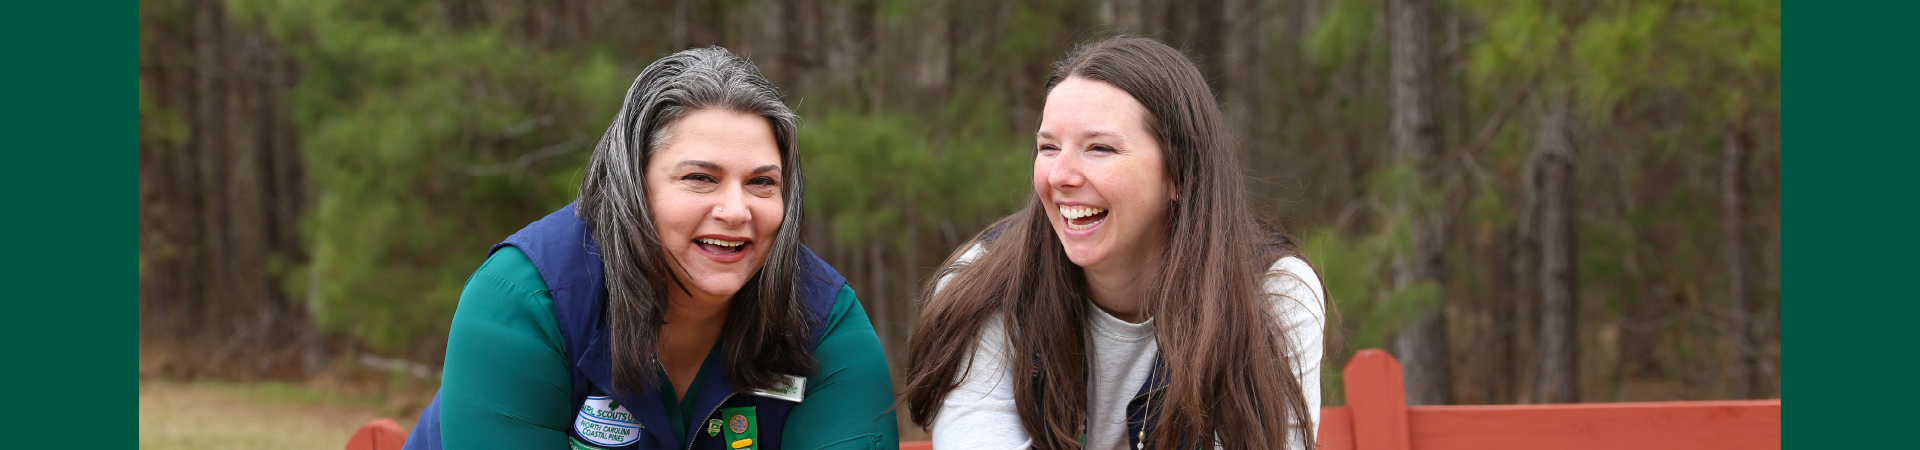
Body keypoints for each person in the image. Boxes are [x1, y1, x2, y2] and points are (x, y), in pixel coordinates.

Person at [404, 47, 898, 450]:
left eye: (762, 183)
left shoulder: (822, 317)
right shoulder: (524, 299)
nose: (736, 209)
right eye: (700, 178)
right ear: (631, 186)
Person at [902, 36, 1328, 450]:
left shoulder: (1272, 292)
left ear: (1180, 173)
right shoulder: (985, 283)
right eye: (1048, 147)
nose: (1060, 175)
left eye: (1099, 148)